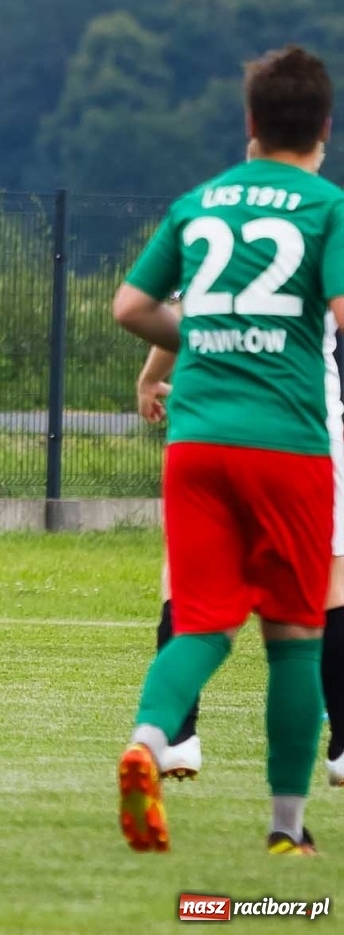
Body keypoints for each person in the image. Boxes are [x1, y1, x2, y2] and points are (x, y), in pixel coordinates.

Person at [111, 45, 344, 856]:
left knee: (203, 621)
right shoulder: (326, 206)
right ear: (323, 126)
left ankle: (147, 738)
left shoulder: (200, 202)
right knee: (293, 635)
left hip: (198, 441)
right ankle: (286, 826)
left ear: (249, 124)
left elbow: (132, 305)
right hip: (288, 444)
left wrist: (209, 341)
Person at [138, 334, 344, 789]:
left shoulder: (201, 256)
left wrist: (151, 377)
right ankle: (322, 772)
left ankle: (173, 734)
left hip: (210, 427)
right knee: (323, 589)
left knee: (186, 581)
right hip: (302, 431)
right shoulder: (322, 258)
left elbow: (140, 309)